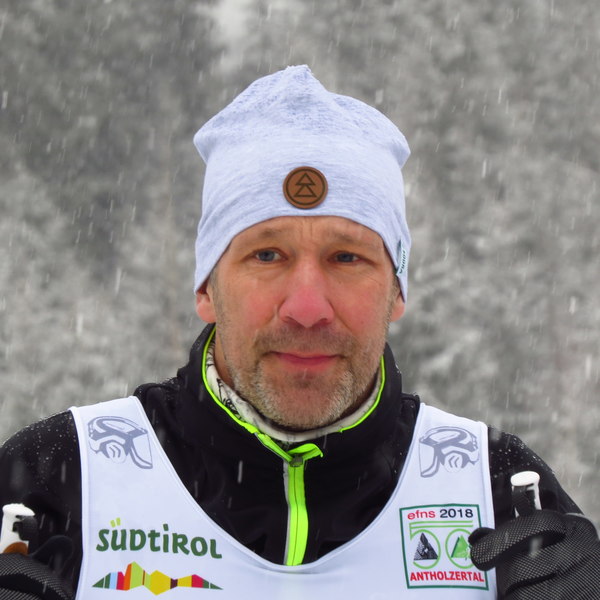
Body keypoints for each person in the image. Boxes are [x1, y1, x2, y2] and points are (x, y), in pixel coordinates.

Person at [0, 65, 598, 599]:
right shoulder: (59, 478)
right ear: (207, 288)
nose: (307, 308)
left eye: (347, 257)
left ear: (397, 291)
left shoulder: (497, 489)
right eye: (267, 255)